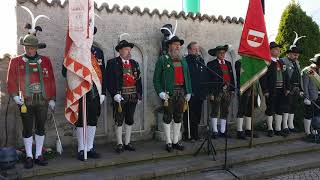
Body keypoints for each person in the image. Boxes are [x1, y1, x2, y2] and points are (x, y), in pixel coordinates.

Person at [7, 34, 56, 168]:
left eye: (32, 48)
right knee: (27, 128)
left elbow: (51, 80)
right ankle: (29, 156)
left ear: (36, 48)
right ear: (24, 47)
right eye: (27, 47)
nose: (30, 50)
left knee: (40, 127)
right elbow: (10, 80)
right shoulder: (16, 61)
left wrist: (52, 98)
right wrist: (14, 95)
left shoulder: (45, 60)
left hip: (42, 100)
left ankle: (38, 154)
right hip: (25, 101)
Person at [62, 27, 106, 161]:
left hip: (94, 91)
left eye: (90, 35)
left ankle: (90, 147)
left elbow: (102, 72)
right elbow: (65, 72)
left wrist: (103, 92)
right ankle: (81, 149)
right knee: (80, 120)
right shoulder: (74, 51)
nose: (88, 37)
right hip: (79, 91)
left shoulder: (98, 52)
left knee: (92, 120)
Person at [153, 36, 192, 152]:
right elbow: (156, 79)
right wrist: (160, 92)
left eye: (179, 45)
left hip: (181, 92)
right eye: (175, 44)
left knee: (178, 116)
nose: (178, 46)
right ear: (169, 46)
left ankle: (176, 141)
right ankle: (168, 141)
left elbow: (188, 78)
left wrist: (189, 91)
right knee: (167, 116)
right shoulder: (163, 60)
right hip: (168, 93)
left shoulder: (183, 60)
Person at [106, 40, 142, 153]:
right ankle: (119, 143)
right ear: (120, 50)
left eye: (129, 49)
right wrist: (114, 94)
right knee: (119, 119)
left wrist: (139, 95)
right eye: (126, 49)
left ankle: (127, 142)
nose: (129, 51)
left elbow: (139, 81)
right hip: (120, 96)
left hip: (132, 96)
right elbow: (108, 81)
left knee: (130, 119)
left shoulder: (135, 63)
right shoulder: (112, 63)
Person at [260, 42, 289, 137]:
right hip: (271, 90)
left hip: (281, 90)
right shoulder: (267, 62)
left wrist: (287, 88)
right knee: (270, 108)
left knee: (280, 109)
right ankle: (270, 128)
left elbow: (286, 76)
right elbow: (263, 78)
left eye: (279, 49)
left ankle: (278, 128)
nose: (279, 51)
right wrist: (265, 90)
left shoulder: (281, 62)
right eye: (276, 49)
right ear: (271, 50)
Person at [207, 45, 235, 138]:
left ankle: (222, 131)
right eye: (220, 53)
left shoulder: (228, 63)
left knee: (225, 111)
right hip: (216, 91)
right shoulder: (211, 64)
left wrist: (232, 89)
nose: (222, 54)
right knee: (215, 110)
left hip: (227, 91)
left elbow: (231, 77)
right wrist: (210, 93)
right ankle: (214, 131)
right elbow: (209, 80)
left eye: (223, 53)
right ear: (216, 54)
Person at [183, 42, 208, 141]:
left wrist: (205, 91)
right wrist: (186, 91)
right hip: (190, 92)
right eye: (195, 49)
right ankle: (188, 135)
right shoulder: (185, 61)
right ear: (189, 50)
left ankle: (195, 134)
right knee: (189, 115)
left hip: (200, 92)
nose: (197, 51)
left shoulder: (200, 60)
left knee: (197, 115)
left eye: (198, 49)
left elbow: (204, 76)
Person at [281, 34, 305, 135]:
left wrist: (301, 89)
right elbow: (282, 76)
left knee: (293, 106)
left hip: (296, 88)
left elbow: (299, 76)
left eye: (297, 54)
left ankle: (291, 125)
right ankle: (285, 126)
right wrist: (286, 88)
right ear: (288, 54)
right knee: (286, 106)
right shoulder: (283, 61)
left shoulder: (297, 63)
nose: (296, 56)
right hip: (288, 87)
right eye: (294, 54)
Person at [235, 60, 259, 139]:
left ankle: (248, 130)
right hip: (244, 88)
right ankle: (239, 131)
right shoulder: (239, 62)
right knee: (241, 110)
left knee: (250, 111)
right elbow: (241, 73)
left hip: (253, 89)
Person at [302, 53, 320, 140]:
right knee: (308, 114)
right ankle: (308, 132)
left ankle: (314, 131)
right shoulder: (308, 70)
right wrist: (306, 97)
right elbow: (305, 85)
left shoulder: (318, 71)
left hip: (317, 97)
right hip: (310, 97)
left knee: (316, 115)